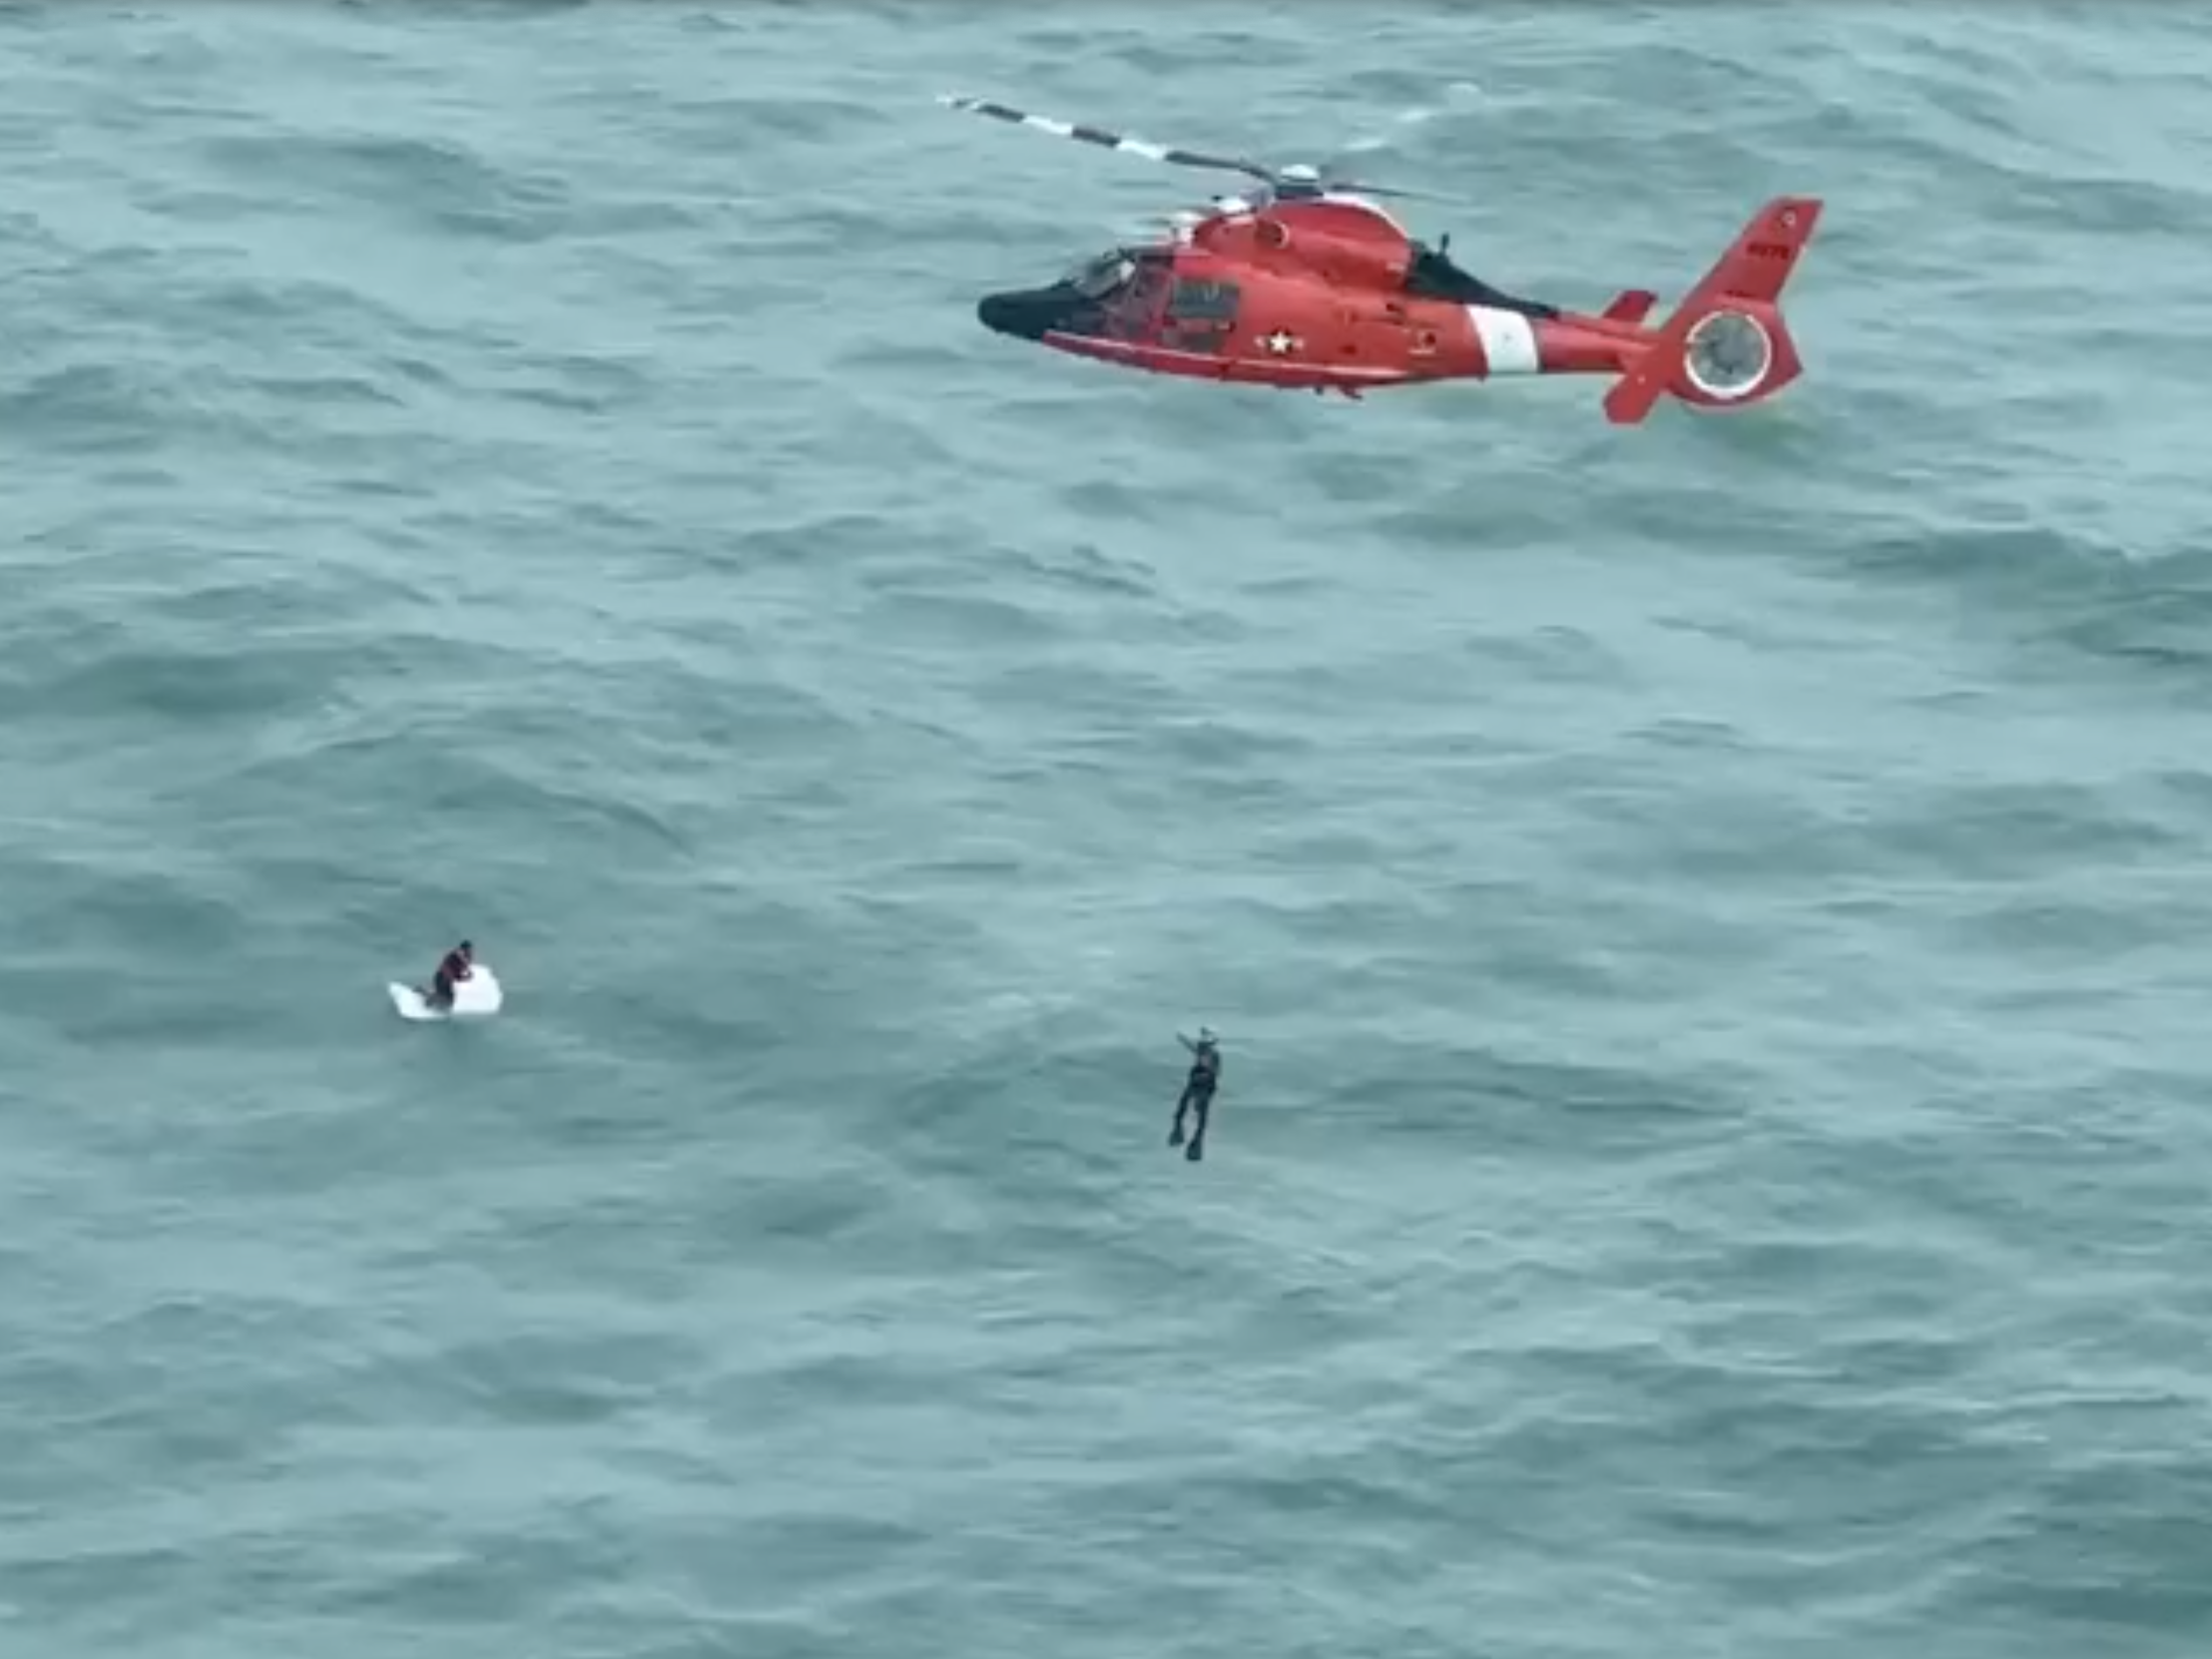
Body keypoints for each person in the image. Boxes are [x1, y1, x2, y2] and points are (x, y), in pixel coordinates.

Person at [1169, 1027, 1222, 1162]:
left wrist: (1204, 1075)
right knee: (1182, 1108)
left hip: (1203, 1087)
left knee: (1200, 1113)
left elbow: (1215, 1073)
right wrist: (1182, 1038)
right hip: (1195, 1084)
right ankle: (1179, 1133)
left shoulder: (1213, 1055)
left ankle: (1196, 1141)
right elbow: (1192, 1046)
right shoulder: (1202, 1051)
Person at [426, 939, 473, 1010]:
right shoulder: (454, 955)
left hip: (447, 980)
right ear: (463, 949)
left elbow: (457, 977)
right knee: (442, 995)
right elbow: (447, 967)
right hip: (441, 977)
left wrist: (466, 977)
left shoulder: (463, 963)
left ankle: (427, 997)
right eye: (468, 949)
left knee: (450, 999)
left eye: (470, 950)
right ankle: (427, 1004)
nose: (469, 951)